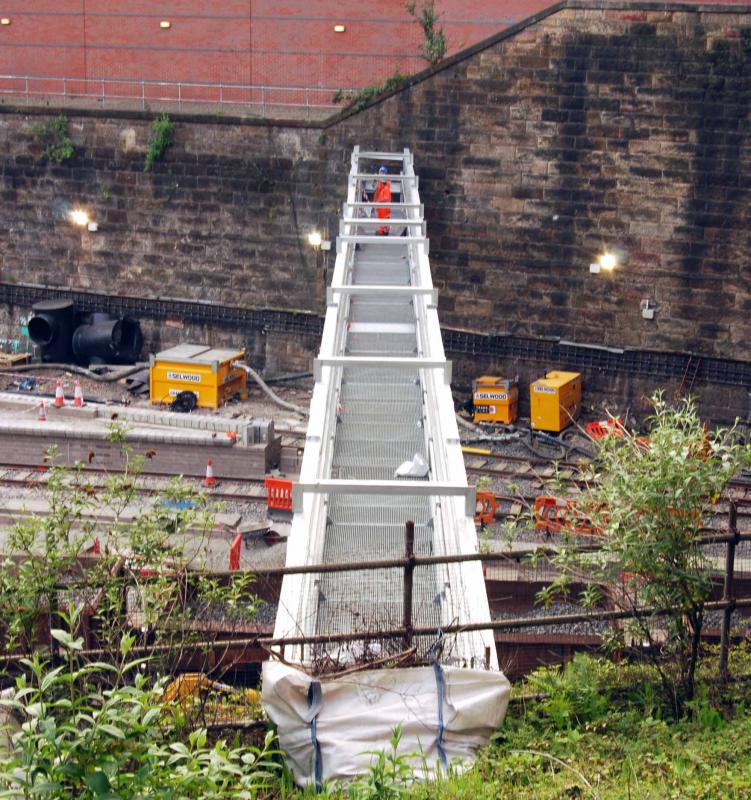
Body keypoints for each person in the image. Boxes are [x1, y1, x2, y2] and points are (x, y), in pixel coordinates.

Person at [374, 165, 391, 235]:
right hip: (380, 202)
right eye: (380, 172)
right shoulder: (379, 182)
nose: (380, 173)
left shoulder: (386, 184)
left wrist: (378, 201)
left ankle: (384, 231)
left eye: (382, 172)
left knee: (385, 217)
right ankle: (382, 230)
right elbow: (377, 192)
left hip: (384, 202)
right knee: (380, 217)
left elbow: (386, 197)